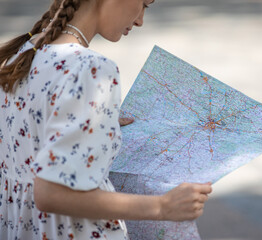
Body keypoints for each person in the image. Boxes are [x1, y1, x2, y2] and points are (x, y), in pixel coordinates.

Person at [0, 0, 212, 239]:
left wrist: (95, 122)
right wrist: (162, 206)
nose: (141, 20)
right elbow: (51, 194)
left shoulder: (22, 54)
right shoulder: (90, 68)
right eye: (144, 4)